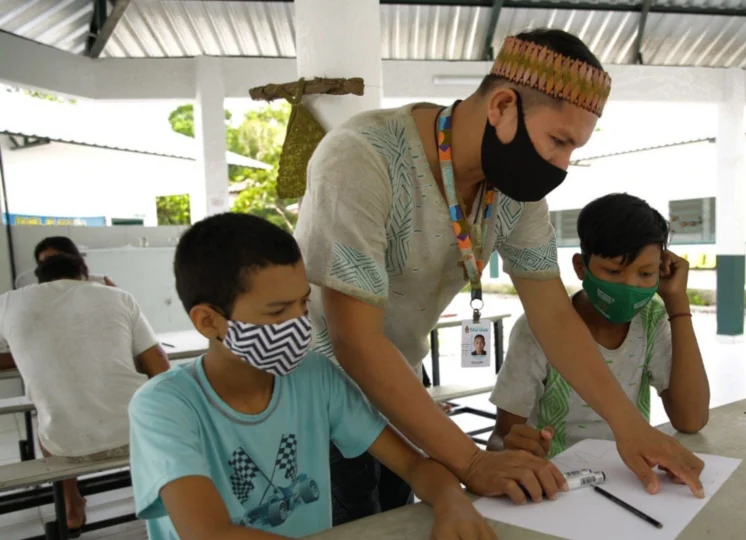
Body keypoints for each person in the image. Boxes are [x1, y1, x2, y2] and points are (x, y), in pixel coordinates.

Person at [295, 27, 704, 524]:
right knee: (352, 521)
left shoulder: (514, 191)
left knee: (400, 517)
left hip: (400, 372)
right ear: (502, 107)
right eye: (558, 141)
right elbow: (353, 341)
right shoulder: (362, 158)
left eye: (573, 149)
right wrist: (471, 461)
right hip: (317, 389)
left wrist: (628, 426)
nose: (562, 164)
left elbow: (552, 314)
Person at [127, 213, 496, 540]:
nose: (298, 325)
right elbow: (209, 533)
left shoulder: (314, 377)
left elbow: (413, 465)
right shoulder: (164, 406)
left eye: (303, 303)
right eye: (277, 312)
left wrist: (452, 501)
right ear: (209, 321)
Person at [488, 194, 710, 462]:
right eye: (613, 272)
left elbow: (691, 419)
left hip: (630, 478)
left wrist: (677, 303)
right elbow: (500, 438)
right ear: (581, 267)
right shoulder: (537, 330)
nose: (629, 286)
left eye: (646, 273)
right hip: (559, 482)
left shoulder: (651, 321)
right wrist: (515, 449)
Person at [0, 252, 169, 533]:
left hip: (65, 446)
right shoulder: (119, 297)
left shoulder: (8, 302)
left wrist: (29, 351)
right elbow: (159, 365)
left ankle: (72, 504)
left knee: (52, 417)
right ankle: (154, 489)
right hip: (138, 433)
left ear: (39, 280)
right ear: (84, 275)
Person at [34, 236, 116, 286]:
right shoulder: (39, 292)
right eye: (43, 263)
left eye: (54, 260)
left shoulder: (102, 282)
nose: (49, 266)